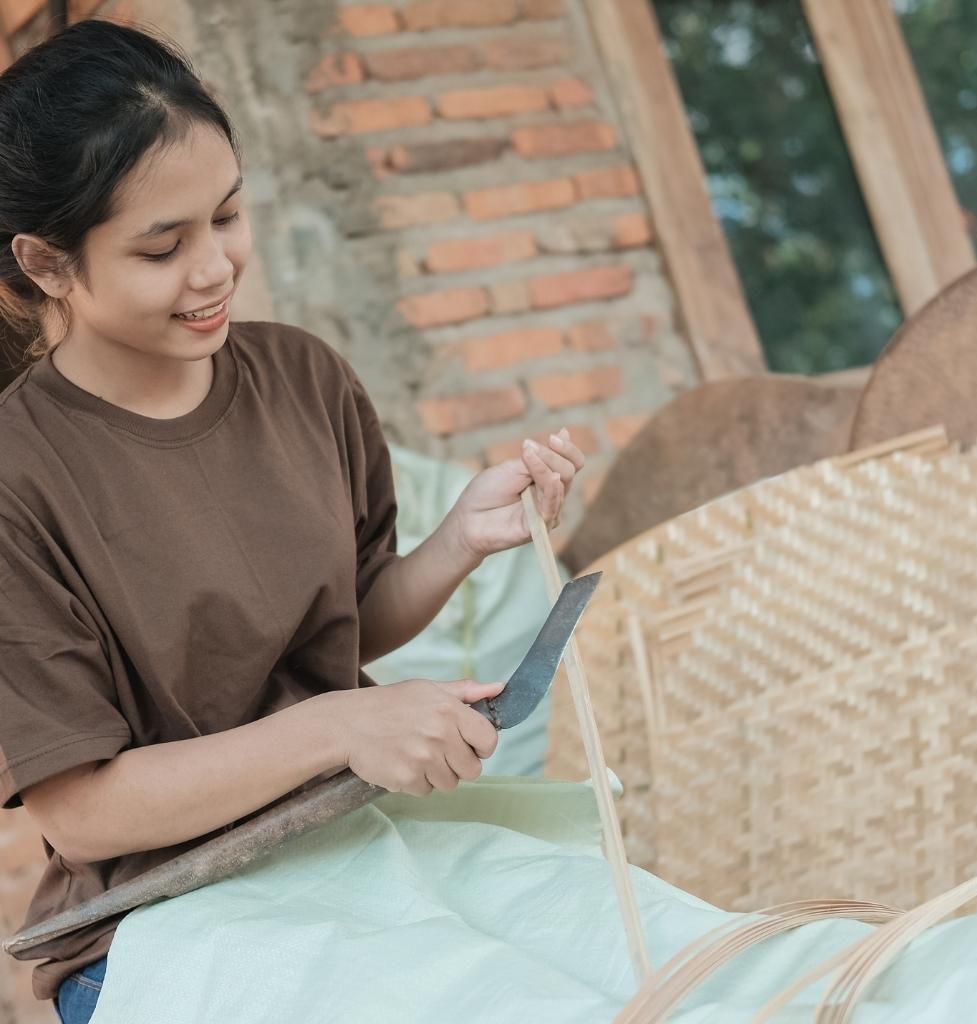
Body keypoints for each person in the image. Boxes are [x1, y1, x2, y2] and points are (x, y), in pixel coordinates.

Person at [0, 19, 585, 1024]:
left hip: (356, 841)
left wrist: (459, 540)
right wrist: (339, 725)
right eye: (161, 246)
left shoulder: (303, 377)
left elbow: (351, 614)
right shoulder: (19, 477)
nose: (215, 266)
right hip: (164, 920)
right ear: (50, 265)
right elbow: (83, 814)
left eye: (227, 216)